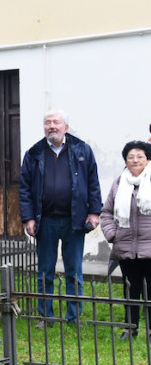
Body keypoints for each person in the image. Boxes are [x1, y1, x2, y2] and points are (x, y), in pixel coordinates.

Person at [19, 110, 102, 327]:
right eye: (47, 123)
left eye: (56, 122)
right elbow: (25, 188)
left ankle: (73, 317)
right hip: (45, 220)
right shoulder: (34, 153)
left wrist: (94, 213)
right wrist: (28, 218)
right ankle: (45, 317)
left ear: (65, 126)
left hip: (74, 219)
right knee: (44, 270)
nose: (51, 126)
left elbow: (93, 181)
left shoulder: (82, 149)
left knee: (73, 270)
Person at [100, 141, 151, 339]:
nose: (135, 160)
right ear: (126, 161)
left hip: (149, 247)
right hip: (126, 247)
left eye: (140, 156)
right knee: (131, 289)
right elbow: (106, 212)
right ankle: (130, 328)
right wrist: (113, 234)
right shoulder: (119, 183)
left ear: (147, 160)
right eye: (131, 157)